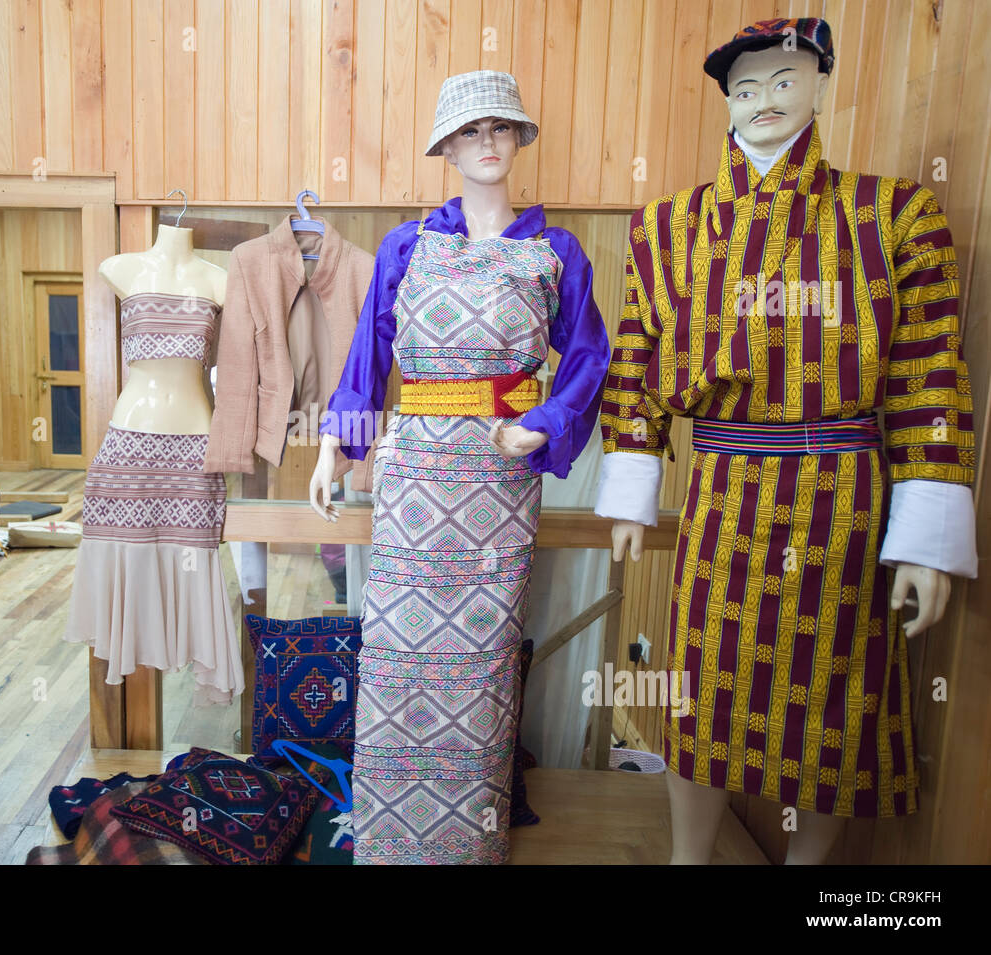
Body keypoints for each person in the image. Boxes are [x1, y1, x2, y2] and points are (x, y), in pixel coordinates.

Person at [595, 18, 978, 864]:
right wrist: (632, 480)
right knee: (701, 693)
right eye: (744, 86)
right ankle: (688, 856)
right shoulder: (667, 227)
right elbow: (635, 359)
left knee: (834, 697)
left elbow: (928, 377)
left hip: (842, 494)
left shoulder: (893, 214)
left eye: (783, 79)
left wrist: (927, 539)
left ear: (820, 83)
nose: (763, 99)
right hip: (721, 492)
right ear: (724, 102)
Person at [309, 70, 609, 864]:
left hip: (498, 484)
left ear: (517, 139)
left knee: (479, 666)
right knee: (399, 653)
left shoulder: (554, 253)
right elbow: (370, 352)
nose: (486, 143)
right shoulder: (408, 247)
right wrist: (335, 444)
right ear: (445, 146)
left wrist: (542, 424)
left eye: (499, 128)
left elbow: (588, 359)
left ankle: (467, 844)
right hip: (413, 477)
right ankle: (388, 841)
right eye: (470, 131)